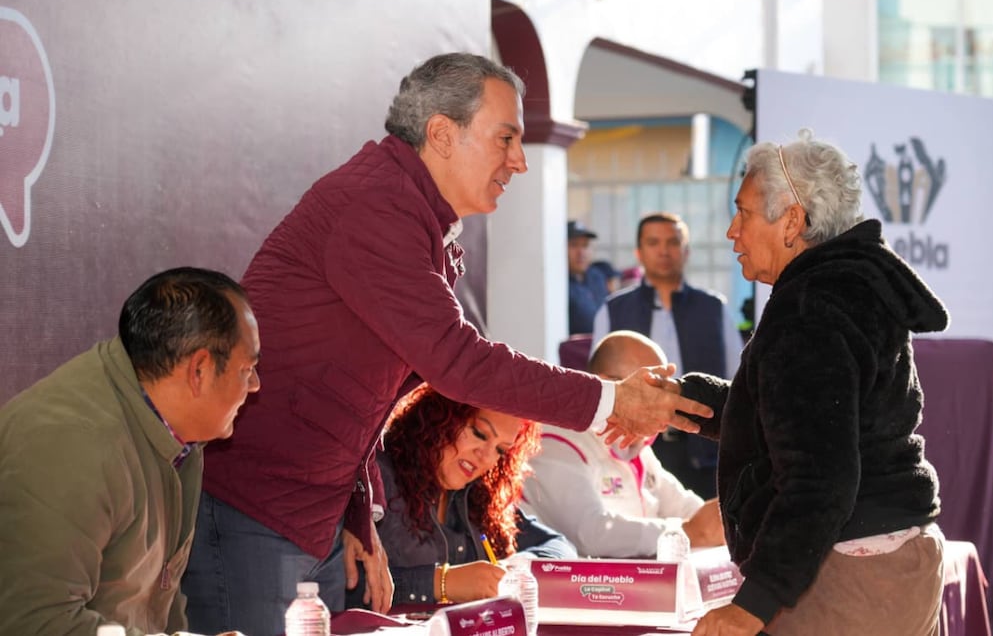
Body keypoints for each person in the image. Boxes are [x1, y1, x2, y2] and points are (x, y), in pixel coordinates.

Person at [183, 52, 710, 636]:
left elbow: (366, 399)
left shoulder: (420, 219)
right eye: (506, 138)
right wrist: (612, 401)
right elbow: (457, 361)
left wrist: (359, 510)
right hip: (259, 506)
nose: (519, 162)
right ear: (441, 133)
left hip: (316, 513)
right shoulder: (375, 205)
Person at [682, 129, 949, 636]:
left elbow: (820, 476)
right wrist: (687, 401)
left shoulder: (808, 307)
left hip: (850, 576)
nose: (731, 231)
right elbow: (811, 419)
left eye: (743, 213)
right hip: (894, 560)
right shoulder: (850, 285)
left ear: (792, 222)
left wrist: (751, 605)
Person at [0, 267, 260, 636]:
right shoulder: (74, 448)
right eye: (247, 369)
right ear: (199, 370)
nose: (254, 385)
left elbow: (155, 605)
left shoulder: (179, 433)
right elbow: (33, 623)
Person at [345, 383, 575, 607]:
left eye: (500, 450)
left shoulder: (480, 494)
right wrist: (441, 583)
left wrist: (516, 567)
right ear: (440, 416)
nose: (485, 457)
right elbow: (338, 592)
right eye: (479, 434)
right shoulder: (377, 480)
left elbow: (559, 546)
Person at [522, 331, 725, 559]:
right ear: (608, 384)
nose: (665, 405)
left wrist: (721, 520)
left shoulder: (638, 446)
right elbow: (592, 535)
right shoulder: (554, 441)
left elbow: (691, 512)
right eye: (655, 391)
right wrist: (686, 533)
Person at [591, 212, 744, 499]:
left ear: (686, 251)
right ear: (639, 251)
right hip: (635, 444)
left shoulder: (713, 308)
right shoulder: (613, 310)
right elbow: (599, 380)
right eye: (653, 242)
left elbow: (737, 379)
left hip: (703, 447)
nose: (663, 250)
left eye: (673, 242)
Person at [567, 219, 609, 334]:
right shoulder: (559, 283)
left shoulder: (596, 276)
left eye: (585, 245)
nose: (581, 252)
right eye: (574, 245)